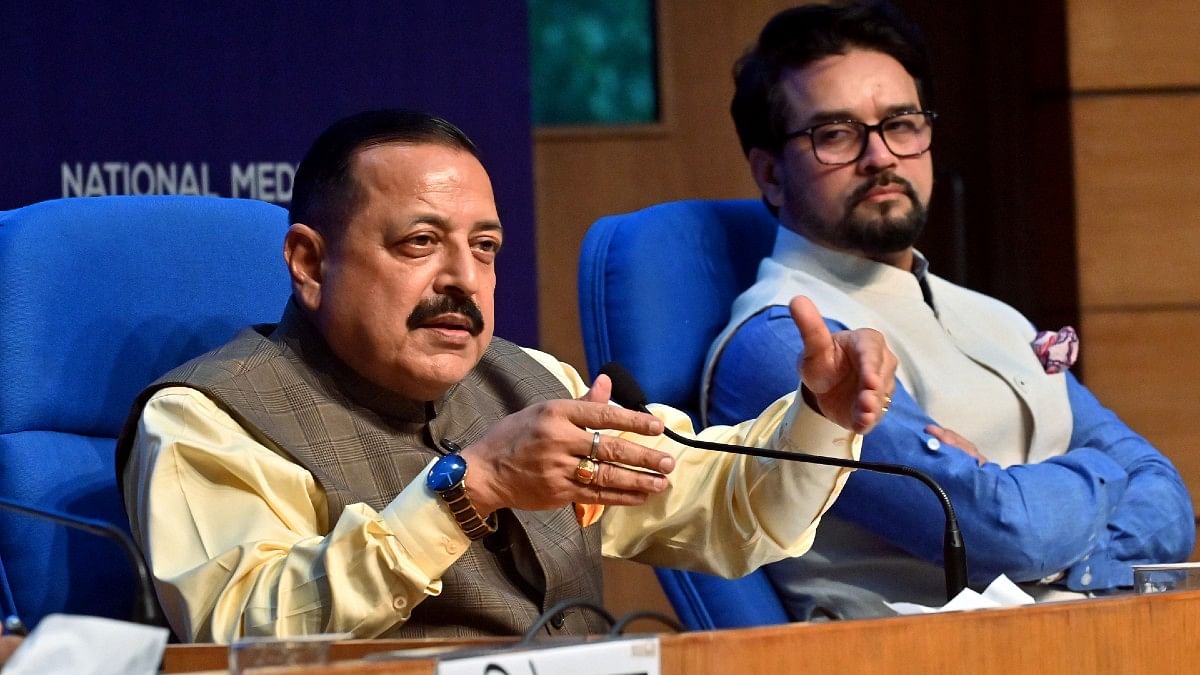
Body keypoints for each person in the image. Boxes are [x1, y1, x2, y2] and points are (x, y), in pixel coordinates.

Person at [116, 109, 897, 643]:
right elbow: (243, 630)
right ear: (310, 263)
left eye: (485, 247)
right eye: (421, 242)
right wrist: (469, 488)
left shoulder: (530, 381)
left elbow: (721, 505)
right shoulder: (207, 418)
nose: (465, 279)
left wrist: (820, 415)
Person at [704, 0, 1194, 620]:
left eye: (901, 123)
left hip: (1084, 638)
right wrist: (1100, 473)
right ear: (770, 174)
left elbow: (1168, 499)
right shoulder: (787, 343)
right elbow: (1007, 536)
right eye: (835, 134)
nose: (880, 155)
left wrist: (1058, 538)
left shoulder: (999, 319)